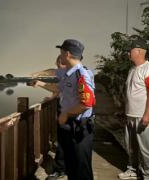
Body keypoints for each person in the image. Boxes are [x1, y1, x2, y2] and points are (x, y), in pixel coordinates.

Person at [118, 37, 149, 180]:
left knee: (146, 149)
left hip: (143, 116)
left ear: (138, 51)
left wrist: (147, 115)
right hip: (130, 115)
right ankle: (132, 170)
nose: (127, 53)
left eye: (129, 50)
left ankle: (148, 176)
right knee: (131, 147)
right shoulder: (132, 69)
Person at [56, 39, 95, 180]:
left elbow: (87, 103)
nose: (59, 55)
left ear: (67, 54)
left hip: (80, 128)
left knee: (81, 170)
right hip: (72, 126)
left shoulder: (81, 74)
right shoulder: (70, 73)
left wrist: (66, 113)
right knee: (72, 168)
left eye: (61, 52)